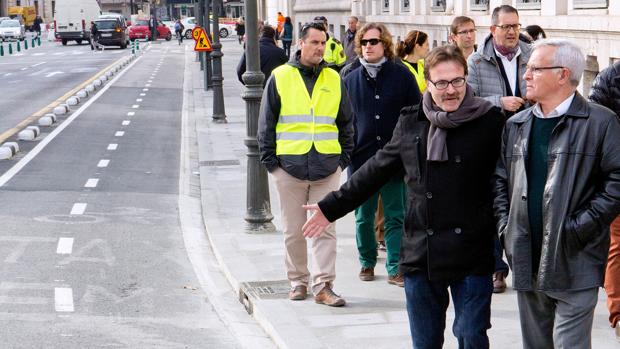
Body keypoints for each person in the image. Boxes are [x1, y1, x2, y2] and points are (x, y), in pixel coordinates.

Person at [304, 45, 505, 348]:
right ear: (428, 83)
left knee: (472, 336)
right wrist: (330, 206)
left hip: (473, 251)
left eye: (457, 81)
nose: (451, 90)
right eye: (441, 83)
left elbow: (507, 184)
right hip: (422, 252)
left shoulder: (490, 122)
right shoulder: (412, 122)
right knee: (425, 343)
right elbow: (376, 169)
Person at [493, 38, 620, 348]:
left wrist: (580, 228)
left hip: (575, 260)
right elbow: (500, 181)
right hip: (526, 255)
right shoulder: (517, 124)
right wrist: (506, 229)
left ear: (563, 75)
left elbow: (617, 181)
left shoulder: (601, 122)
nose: (526, 75)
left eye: (535, 69)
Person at [257, 21, 354, 307]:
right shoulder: (280, 76)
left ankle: (323, 286)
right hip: (289, 168)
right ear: (301, 44)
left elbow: (347, 122)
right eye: (314, 42)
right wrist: (271, 164)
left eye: (323, 43)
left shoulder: (334, 78)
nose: (320, 48)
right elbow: (267, 123)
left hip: (327, 168)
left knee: (325, 228)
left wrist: (342, 161)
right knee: (293, 230)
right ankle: (298, 281)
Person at [344, 22, 420, 287]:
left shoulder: (402, 75)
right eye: (364, 42)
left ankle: (395, 267)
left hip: (394, 159)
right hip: (362, 160)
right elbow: (344, 121)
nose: (368, 46)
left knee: (395, 215)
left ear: (384, 44)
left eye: (373, 41)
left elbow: (416, 114)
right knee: (363, 217)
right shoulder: (350, 78)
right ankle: (366, 261)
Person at [468, 4, 531, 293]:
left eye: (516, 26)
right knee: (495, 203)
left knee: (525, 202)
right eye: (506, 27)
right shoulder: (477, 61)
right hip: (491, 140)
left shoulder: (531, 55)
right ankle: (497, 268)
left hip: (527, 140)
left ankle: (525, 265)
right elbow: (469, 100)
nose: (512, 32)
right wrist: (499, 102)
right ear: (493, 30)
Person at [588, 59, 620, 342]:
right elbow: (593, 124)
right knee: (618, 246)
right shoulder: (610, 77)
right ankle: (618, 313)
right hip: (617, 174)